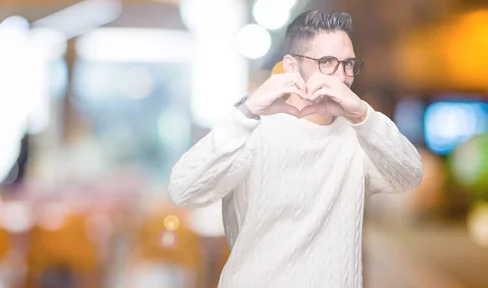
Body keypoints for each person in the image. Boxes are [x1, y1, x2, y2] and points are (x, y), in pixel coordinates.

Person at [168, 10, 423, 287]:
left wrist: (362, 114)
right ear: (291, 66)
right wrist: (247, 111)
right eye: (327, 62)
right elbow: (183, 189)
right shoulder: (253, 132)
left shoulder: (358, 137)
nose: (342, 76)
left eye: (349, 64)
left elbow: (410, 175)